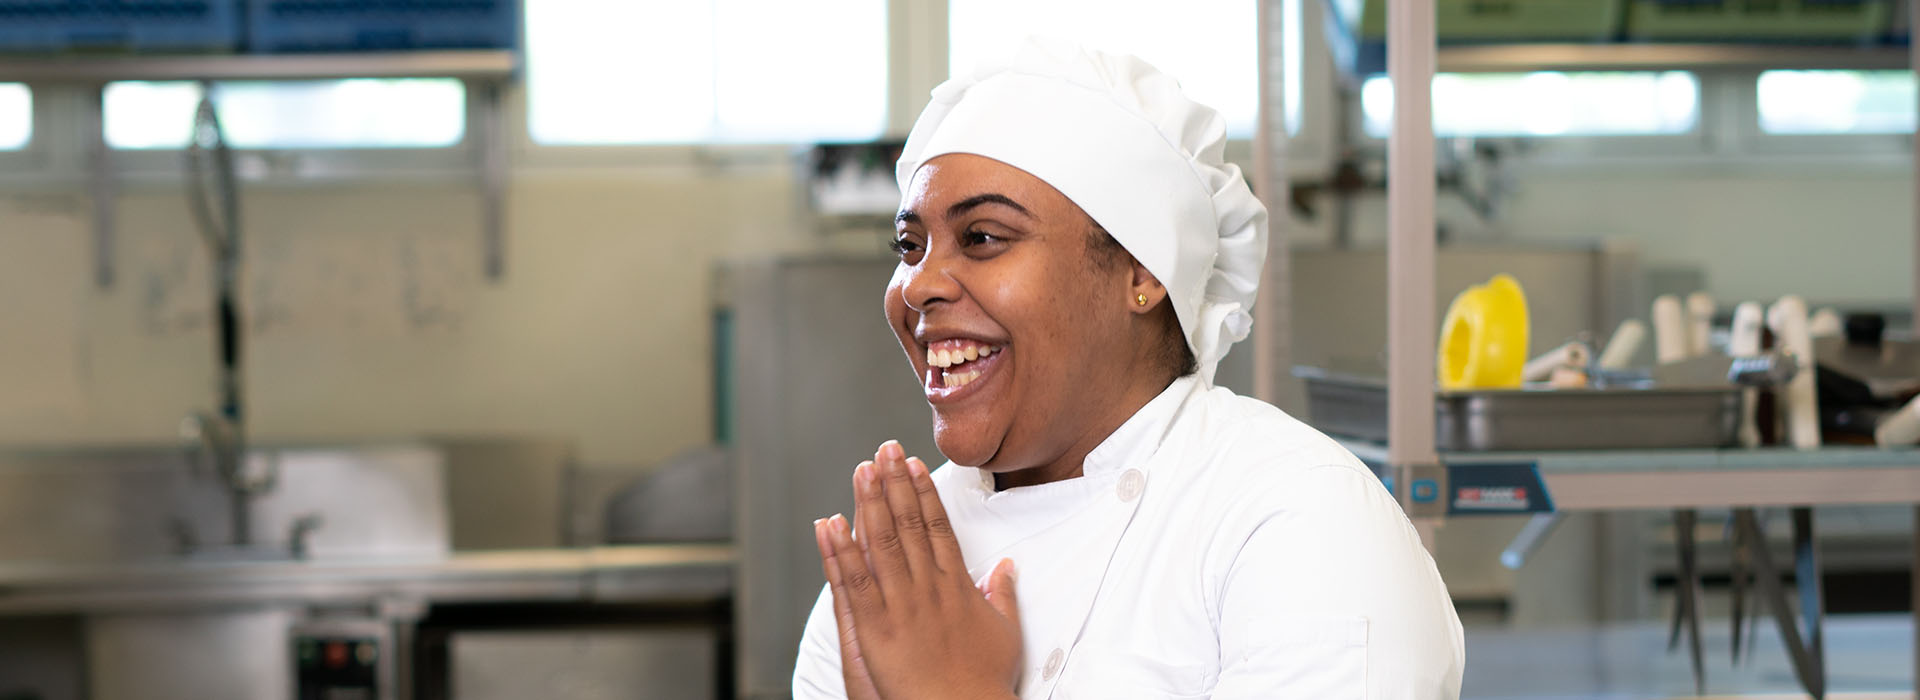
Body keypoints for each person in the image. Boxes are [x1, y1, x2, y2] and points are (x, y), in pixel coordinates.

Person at [794, 39, 1464, 699]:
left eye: (984, 237)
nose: (917, 285)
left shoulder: (1298, 522)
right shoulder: (895, 572)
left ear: (1143, 272)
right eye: (910, 245)